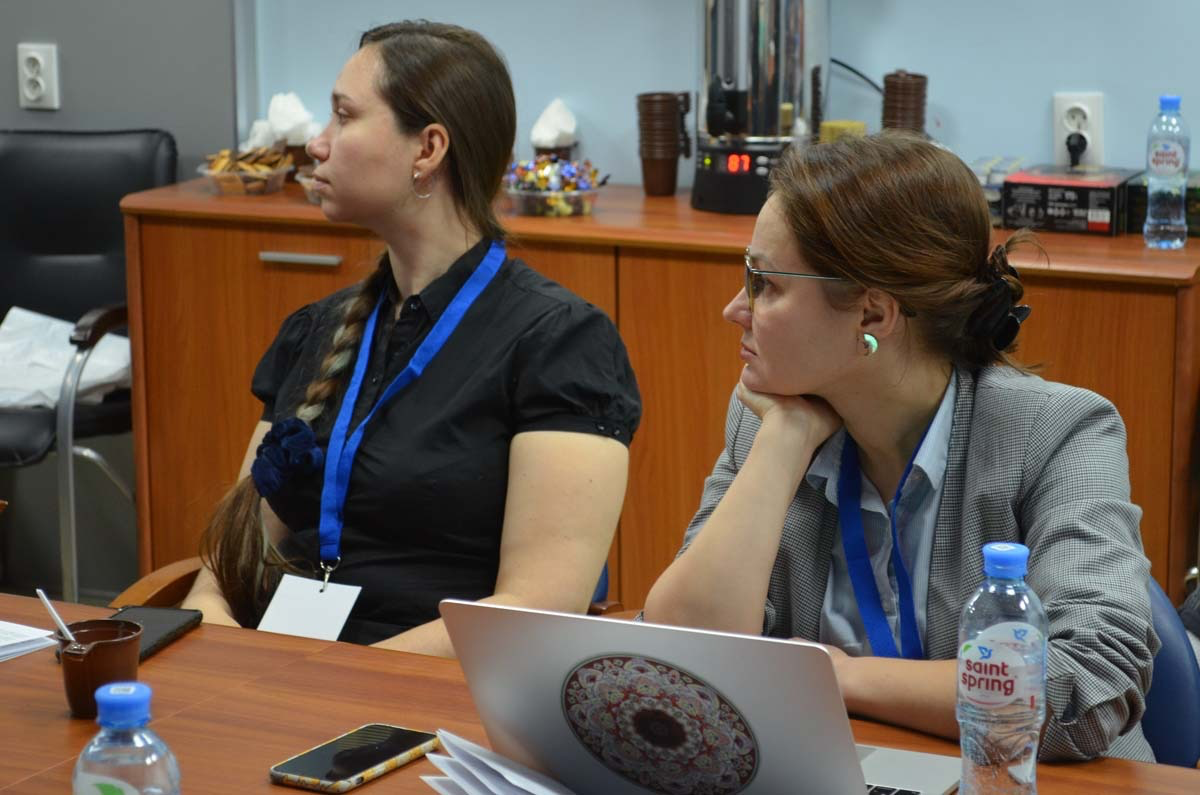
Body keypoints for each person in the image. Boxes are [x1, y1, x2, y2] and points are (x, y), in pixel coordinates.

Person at [642, 131, 1159, 761]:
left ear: (872, 315)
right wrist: (784, 442)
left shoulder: (1058, 433)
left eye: (765, 284)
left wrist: (835, 675)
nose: (734, 309)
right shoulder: (769, 420)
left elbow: (1086, 688)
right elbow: (676, 664)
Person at [181, 21, 640, 655]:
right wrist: (214, 634)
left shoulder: (559, 343)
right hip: (285, 667)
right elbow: (226, 568)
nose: (316, 143)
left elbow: (538, 607)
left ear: (428, 149)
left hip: (436, 689)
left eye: (344, 116)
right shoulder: (316, 330)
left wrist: (327, 676)